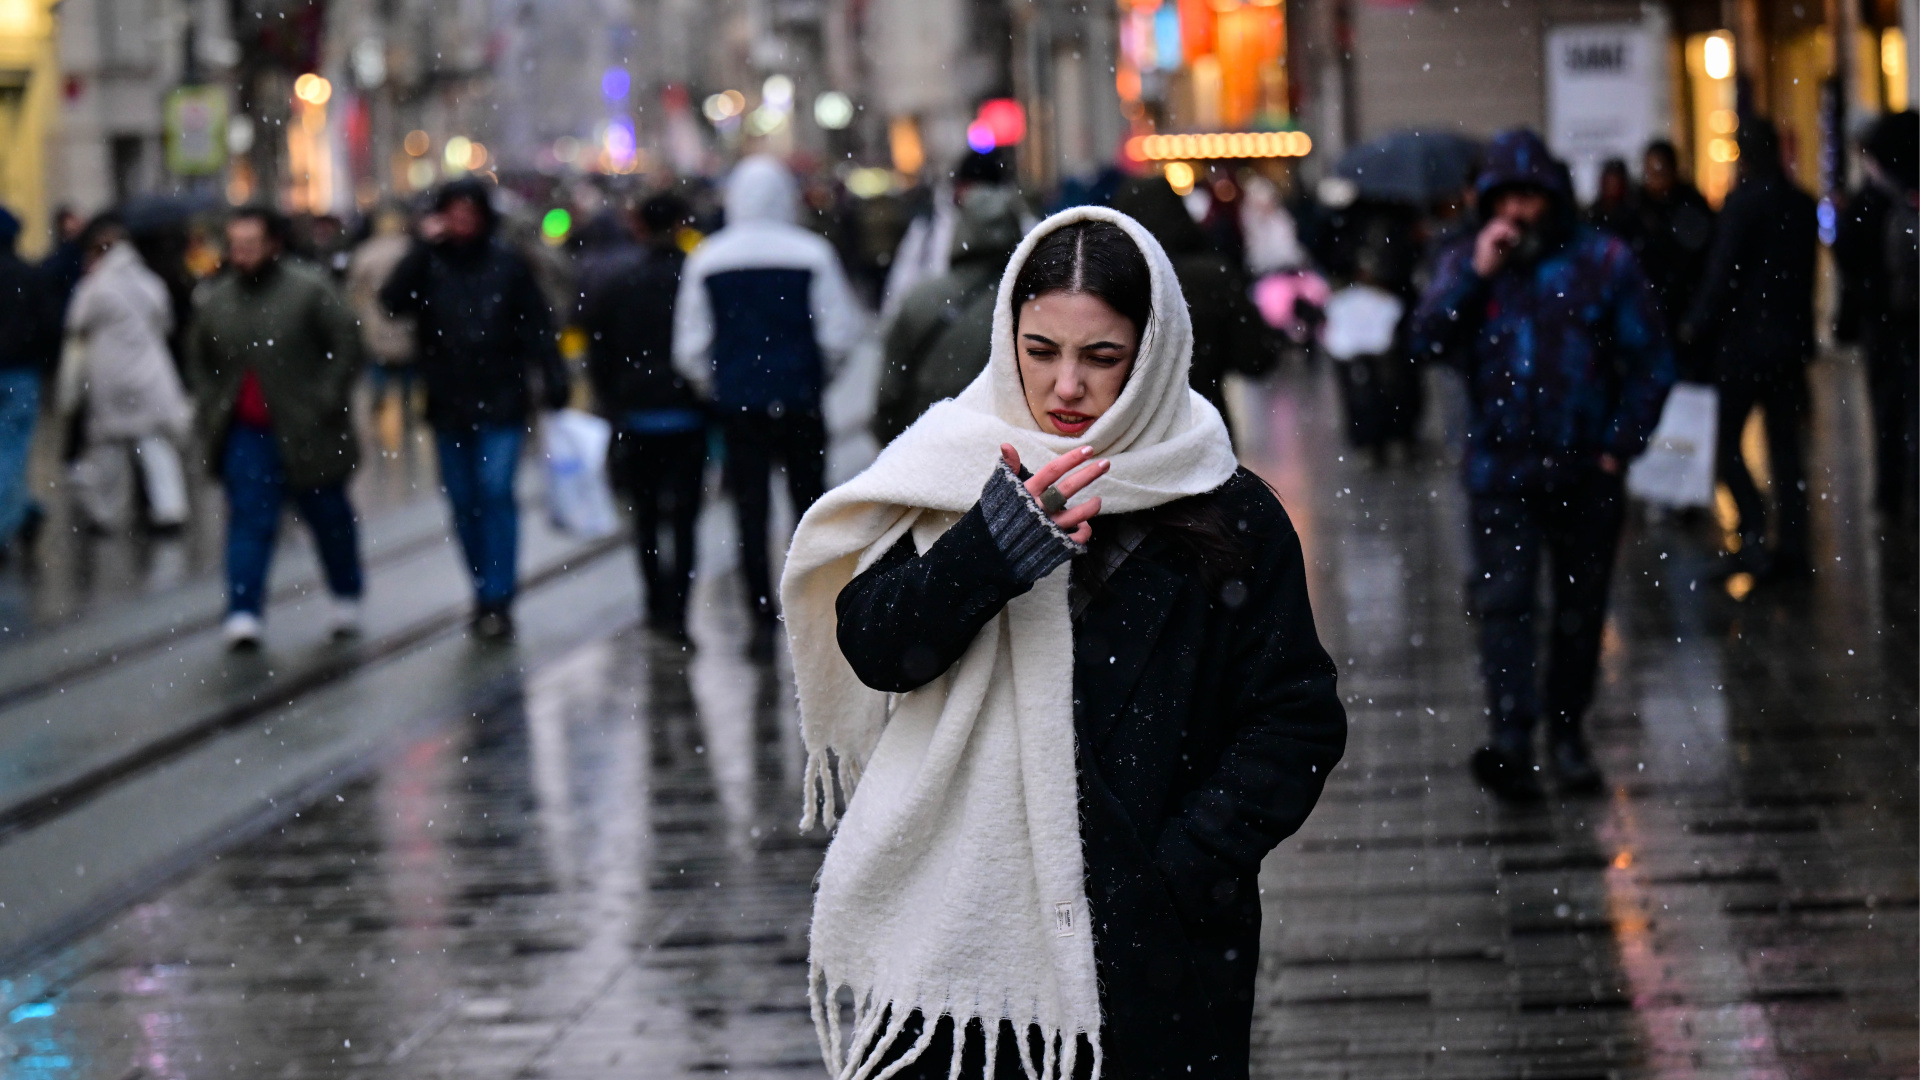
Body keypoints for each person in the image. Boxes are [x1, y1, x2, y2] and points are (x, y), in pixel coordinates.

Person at [780, 208, 1346, 1079]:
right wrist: (990, 550)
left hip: (1159, 949)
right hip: (967, 932)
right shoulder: (948, 468)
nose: (1066, 386)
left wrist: (1183, 863)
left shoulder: (1224, 505)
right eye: (1040, 351)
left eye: (1102, 357)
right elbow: (878, 646)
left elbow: (1294, 717)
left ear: (1151, 354)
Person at [1411, 130, 1675, 802]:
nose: (1517, 212)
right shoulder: (1468, 259)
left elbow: (1651, 358)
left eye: (1529, 198)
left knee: (1579, 612)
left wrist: (1619, 444)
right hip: (1499, 474)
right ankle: (1511, 738)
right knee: (1505, 607)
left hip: (1585, 471)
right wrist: (1475, 273)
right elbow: (1425, 340)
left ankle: (1567, 735)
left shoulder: (1602, 262)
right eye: (1506, 199)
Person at [672, 154, 864, 658]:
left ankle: (761, 614)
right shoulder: (812, 253)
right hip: (799, 403)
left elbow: (690, 346)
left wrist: (720, 386)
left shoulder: (707, 258)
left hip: (741, 407)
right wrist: (813, 379)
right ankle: (816, 610)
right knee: (809, 509)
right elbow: (840, 333)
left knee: (749, 512)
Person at [381, 178, 570, 641]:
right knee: (463, 501)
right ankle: (483, 587)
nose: (461, 222)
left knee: (495, 491)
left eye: (469, 212)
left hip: (502, 398)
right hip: (448, 401)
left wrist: (553, 375)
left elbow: (537, 323)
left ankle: (497, 596)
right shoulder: (430, 263)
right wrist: (421, 249)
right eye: (453, 213)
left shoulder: (508, 264)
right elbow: (392, 302)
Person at [185, 207, 366, 649]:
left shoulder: (309, 289)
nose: (242, 254)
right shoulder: (219, 299)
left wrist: (326, 397)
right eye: (236, 245)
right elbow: (198, 356)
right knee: (249, 520)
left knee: (328, 517)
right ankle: (243, 610)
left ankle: (345, 594)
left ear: (273, 245)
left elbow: (346, 341)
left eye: (251, 245)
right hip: (246, 433)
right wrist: (212, 403)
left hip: (308, 429)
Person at [1680, 118, 1819, 581]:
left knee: (1726, 444)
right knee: (1785, 451)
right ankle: (1789, 545)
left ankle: (1755, 531)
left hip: (1745, 345)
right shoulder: (1799, 205)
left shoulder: (1745, 205)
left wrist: (1696, 326)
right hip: (1784, 345)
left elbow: (1723, 274)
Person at [581, 192, 706, 643]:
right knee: (685, 521)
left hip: (637, 416)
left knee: (647, 518)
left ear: (637, 226)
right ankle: (679, 611)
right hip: (688, 414)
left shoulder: (619, 283)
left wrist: (613, 402)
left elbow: (599, 350)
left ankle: (656, 604)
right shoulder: (693, 277)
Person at [1109, 175, 1281, 438]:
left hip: (1131, 438)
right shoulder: (1213, 275)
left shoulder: (1114, 281)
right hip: (1205, 432)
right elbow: (1255, 358)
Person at [60, 215, 193, 534]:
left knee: (109, 446)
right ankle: (169, 509)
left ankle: (104, 513)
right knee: (155, 443)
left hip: (109, 375)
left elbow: (76, 323)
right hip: (149, 372)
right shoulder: (149, 282)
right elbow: (165, 321)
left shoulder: (94, 286)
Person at [872, 185, 1026, 443]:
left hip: (930, 441)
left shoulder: (921, 298)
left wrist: (892, 442)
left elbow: (890, 391)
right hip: (1010, 448)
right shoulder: (1031, 301)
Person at [1834, 111, 1918, 527]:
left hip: (1884, 322)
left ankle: (1891, 491)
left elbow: (1849, 257)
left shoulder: (1872, 200)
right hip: (1902, 319)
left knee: (1888, 408)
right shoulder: (1901, 196)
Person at [0, 206, 55, 557]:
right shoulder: (27, 274)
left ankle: (21, 512)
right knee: (12, 449)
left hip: (19, 370)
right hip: (20, 372)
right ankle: (14, 517)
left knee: (9, 450)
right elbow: (49, 324)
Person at [1631, 140, 1715, 371]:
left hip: (1683, 315)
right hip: (1649, 317)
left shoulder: (1690, 207)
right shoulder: (1636, 208)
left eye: (1660, 173)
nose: (1655, 181)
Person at [345, 204, 418, 450]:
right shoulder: (410, 250)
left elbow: (354, 289)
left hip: (376, 324)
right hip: (406, 325)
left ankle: (376, 415)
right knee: (407, 378)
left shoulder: (366, 252)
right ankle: (408, 419)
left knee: (378, 375)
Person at [1585, 157, 1639, 241]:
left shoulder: (1634, 215)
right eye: (1609, 183)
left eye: (1615, 183)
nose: (1612, 188)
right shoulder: (1593, 214)